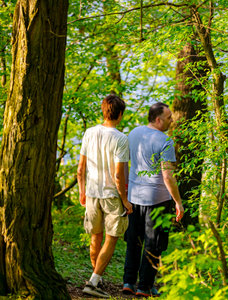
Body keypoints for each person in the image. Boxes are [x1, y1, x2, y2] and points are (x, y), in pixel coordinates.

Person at [122, 102, 184, 297]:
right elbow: (167, 176)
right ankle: (145, 286)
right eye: (168, 118)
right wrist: (178, 202)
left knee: (134, 241)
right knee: (153, 243)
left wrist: (125, 190)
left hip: (134, 197)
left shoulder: (133, 134)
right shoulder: (165, 141)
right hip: (157, 200)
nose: (171, 121)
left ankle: (129, 282)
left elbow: (125, 164)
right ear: (158, 119)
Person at [77, 94, 133, 298]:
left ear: (104, 111)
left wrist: (82, 191)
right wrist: (125, 200)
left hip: (91, 193)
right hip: (111, 196)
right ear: (119, 114)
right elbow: (118, 175)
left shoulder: (89, 133)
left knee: (95, 236)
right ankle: (93, 282)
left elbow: (80, 169)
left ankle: (96, 278)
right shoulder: (120, 138)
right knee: (111, 237)